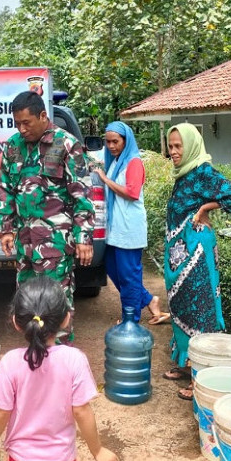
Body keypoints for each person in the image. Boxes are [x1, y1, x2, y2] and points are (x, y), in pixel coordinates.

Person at [0, 276, 119, 461]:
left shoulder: (10, 362)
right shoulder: (74, 359)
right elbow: (81, 411)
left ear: (16, 321)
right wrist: (98, 450)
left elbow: (0, 412)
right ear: (66, 319)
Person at [0, 91, 95, 344]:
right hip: (24, 243)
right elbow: (5, 189)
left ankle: (61, 360)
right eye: (17, 123)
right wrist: (6, 229)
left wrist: (83, 237)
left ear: (43, 116)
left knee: (57, 304)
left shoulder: (67, 145)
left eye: (26, 123)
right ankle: (36, 356)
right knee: (27, 304)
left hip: (56, 244)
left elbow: (81, 193)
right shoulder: (12, 146)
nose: (21, 128)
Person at [163, 123, 231, 400]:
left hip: (196, 252)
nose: (174, 151)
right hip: (178, 252)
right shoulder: (185, 172)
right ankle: (185, 362)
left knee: (199, 309)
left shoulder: (202, 171)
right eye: (171, 146)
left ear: (191, 145)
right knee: (180, 305)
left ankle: (202, 376)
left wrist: (205, 207)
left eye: (179, 146)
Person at [94, 121, 170, 324]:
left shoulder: (133, 162)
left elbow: (132, 193)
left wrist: (106, 180)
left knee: (128, 277)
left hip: (129, 229)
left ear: (126, 141)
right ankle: (149, 299)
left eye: (115, 142)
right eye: (108, 142)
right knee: (112, 269)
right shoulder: (117, 161)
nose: (111, 146)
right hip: (115, 229)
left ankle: (131, 319)